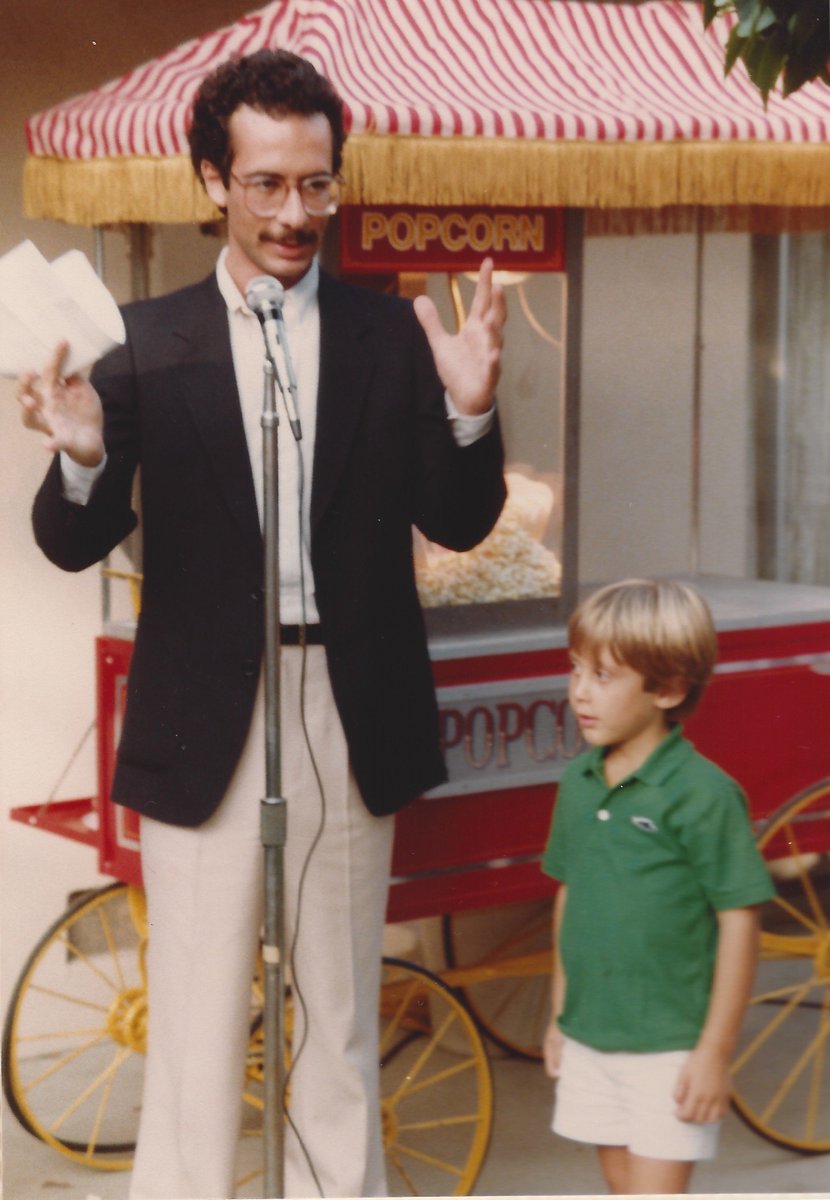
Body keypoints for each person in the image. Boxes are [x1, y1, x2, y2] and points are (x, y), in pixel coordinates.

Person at [16, 49, 507, 1200]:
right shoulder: (137, 345)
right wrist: (85, 455)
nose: (296, 214)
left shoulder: (390, 336)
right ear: (212, 180)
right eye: (268, 184)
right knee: (193, 1026)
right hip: (204, 716)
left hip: (348, 702)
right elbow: (69, 541)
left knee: (337, 1018)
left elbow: (458, 517)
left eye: (317, 184)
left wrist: (473, 409)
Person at [541, 579, 775, 1196]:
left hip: (670, 1048)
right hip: (592, 1036)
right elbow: (571, 897)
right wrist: (561, 1016)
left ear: (668, 689)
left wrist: (713, 1053)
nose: (580, 692)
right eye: (575, 670)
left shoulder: (704, 795)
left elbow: (739, 920)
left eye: (603, 675)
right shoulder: (578, 782)